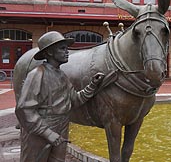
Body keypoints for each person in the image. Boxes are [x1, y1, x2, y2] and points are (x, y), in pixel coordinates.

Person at [15, 31, 106, 162]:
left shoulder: (62, 76)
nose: (67, 51)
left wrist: (93, 85)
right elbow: (24, 109)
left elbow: (75, 100)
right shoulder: (37, 75)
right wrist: (48, 133)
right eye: (62, 48)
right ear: (50, 52)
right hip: (40, 128)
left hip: (61, 125)